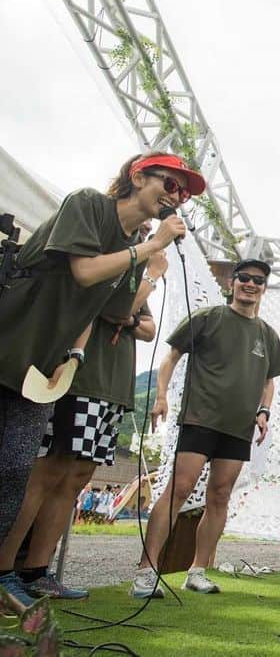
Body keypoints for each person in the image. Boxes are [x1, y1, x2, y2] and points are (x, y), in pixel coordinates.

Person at [0, 152, 195, 608]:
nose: (175, 197)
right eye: (169, 183)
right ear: (137, 175)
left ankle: (10, 576)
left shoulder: (129, 249)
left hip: (43, 368)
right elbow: (84, 271)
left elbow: (101, 309)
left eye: (181, 193)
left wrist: (71, 355)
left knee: (13, 470)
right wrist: (151, 251)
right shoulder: (89, 204)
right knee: (28, 470)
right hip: (9, 345)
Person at [0, 220, 163, 601]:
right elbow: (115, 307)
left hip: (115, 384)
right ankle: (5, 567)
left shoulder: (134, 269)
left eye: (150, 230)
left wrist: (135, 307)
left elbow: (147, 326)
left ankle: (37, 571)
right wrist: (151, 277)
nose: (147, 233)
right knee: (48, 470)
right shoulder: (110, 258)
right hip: (81, 377)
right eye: (142, 227)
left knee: (76, 479)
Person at [131, 258, 280, 599]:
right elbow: (171, 356)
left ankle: (197, 571)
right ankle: (146, 570)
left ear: (264, 288)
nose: (250, 284)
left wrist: (264, 412)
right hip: (199, 418)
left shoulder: (267, 335)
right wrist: (160, 396)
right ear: (233, 282)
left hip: (238, 428)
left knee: (219, 496)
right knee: (179, 489)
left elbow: (268, 382)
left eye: (257, 280)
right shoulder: (207, 317)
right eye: (244, 278)